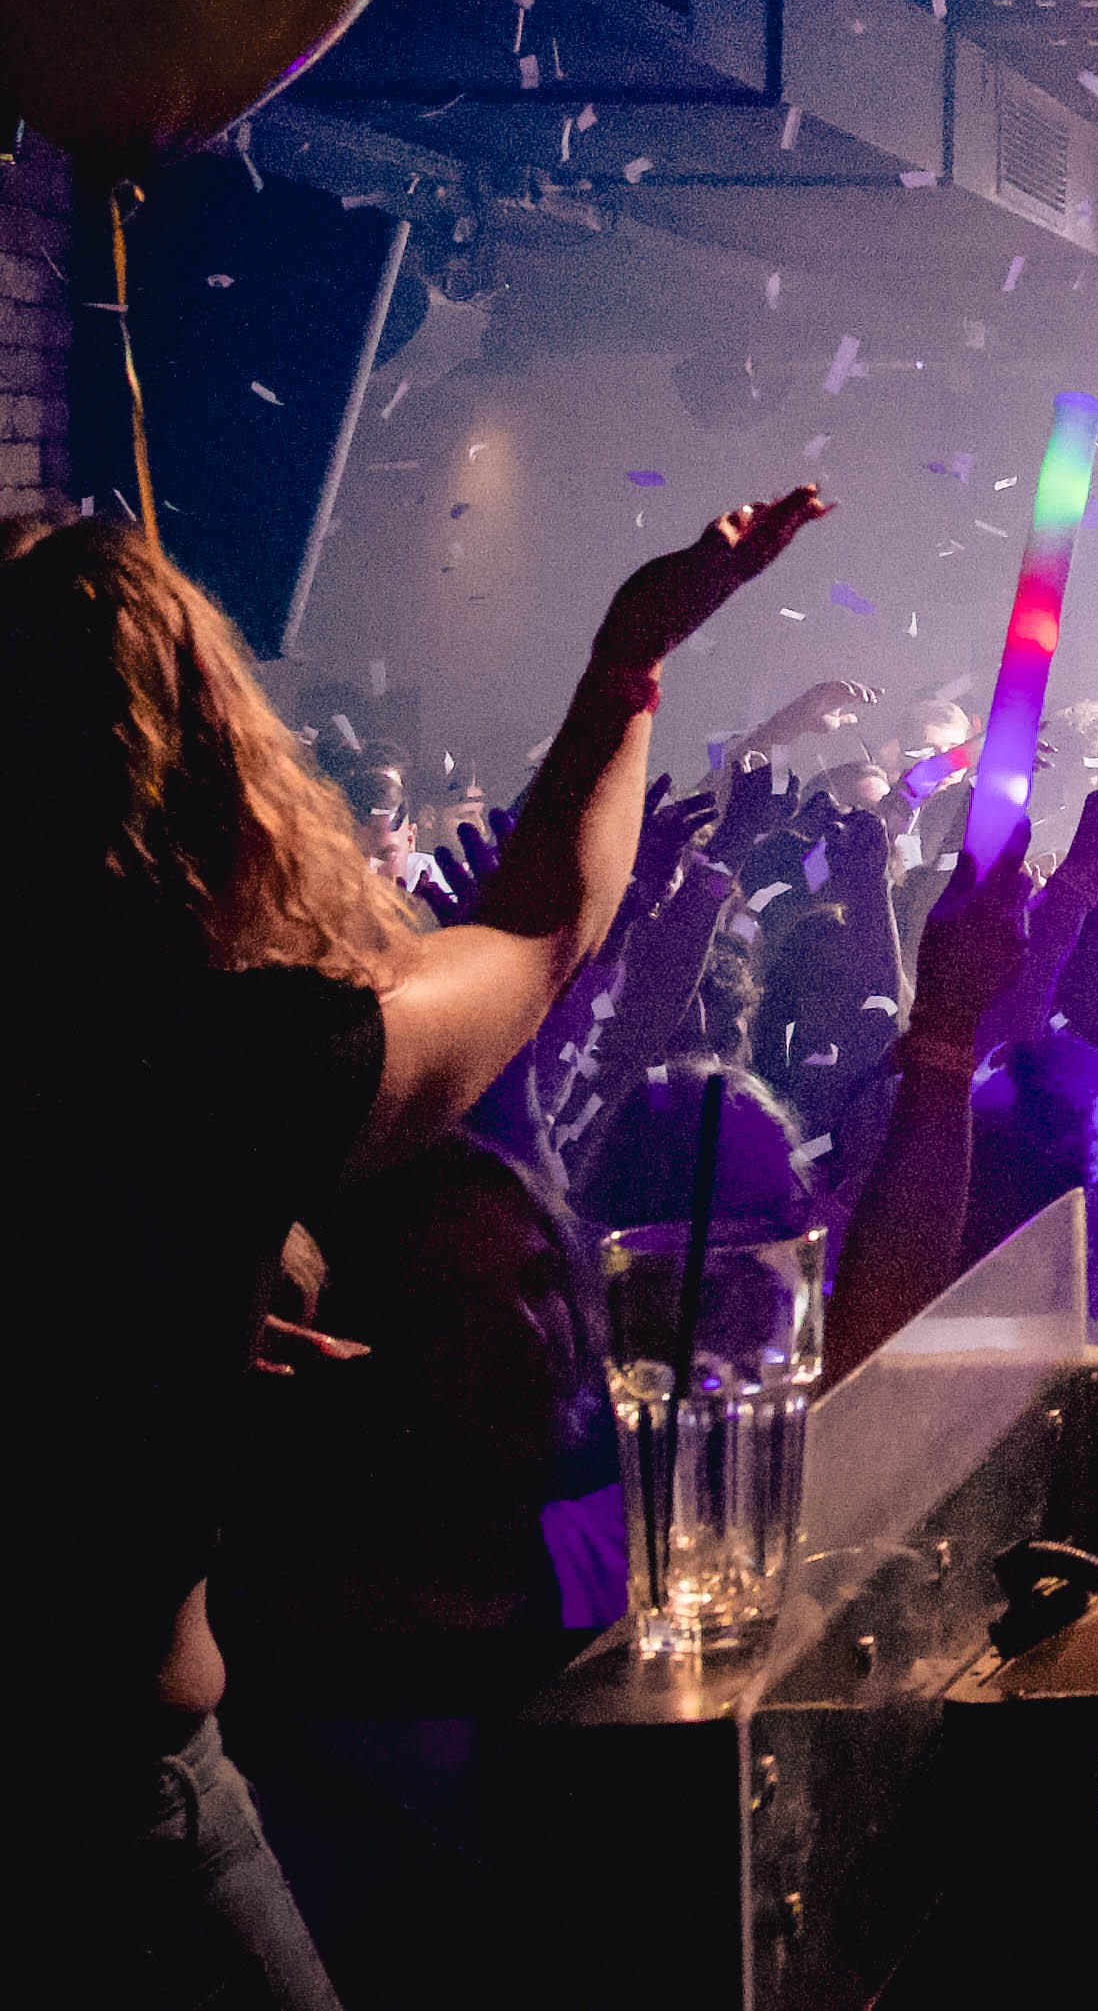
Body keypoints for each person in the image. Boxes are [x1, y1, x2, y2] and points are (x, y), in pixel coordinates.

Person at [31, 486, 822, 2006]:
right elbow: (540, 929)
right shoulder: (219, 1068)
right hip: (103, 1794)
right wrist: (628, 660)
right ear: (201, 770)